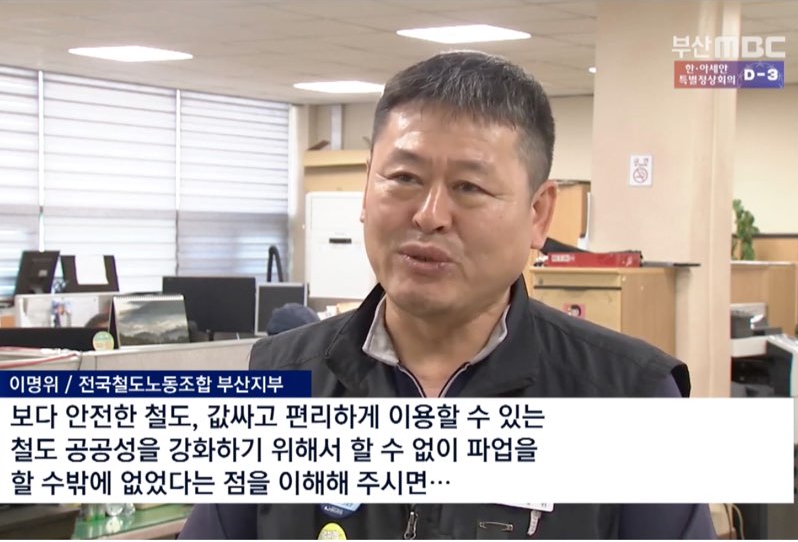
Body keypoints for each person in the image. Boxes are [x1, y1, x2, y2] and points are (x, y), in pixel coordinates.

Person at [179, 50, 716, 539]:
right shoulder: (278, 380)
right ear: (366, 190)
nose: (429, 215)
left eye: (469, 187)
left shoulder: (629, 399)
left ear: (538, 214)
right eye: (404, 178)